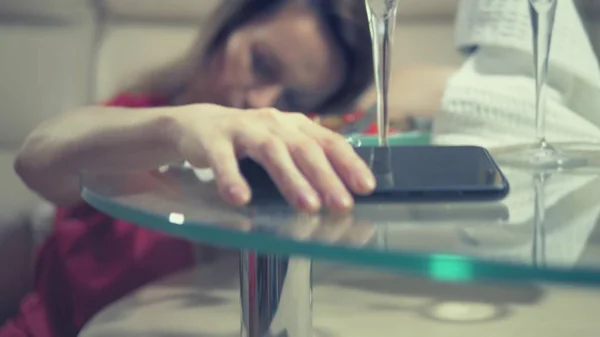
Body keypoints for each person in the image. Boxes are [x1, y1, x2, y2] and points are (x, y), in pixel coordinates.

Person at [0, 0, 455, 336]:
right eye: (261, 63)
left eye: (293, 99)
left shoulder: (282, 160)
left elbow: (432, 88)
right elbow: (37, 159)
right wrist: (182, 124)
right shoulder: (135, 119)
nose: (261, 102)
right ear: (229, 25)